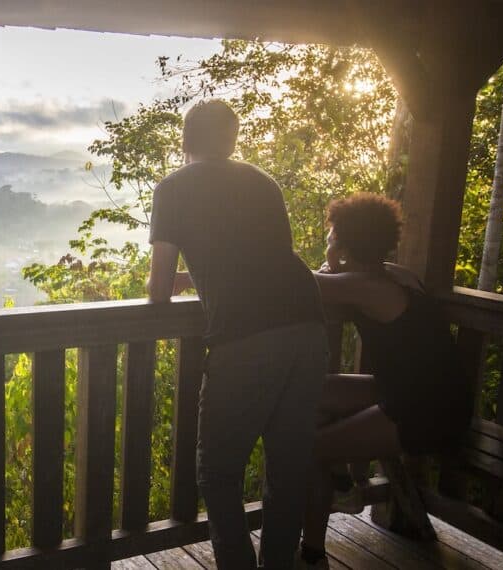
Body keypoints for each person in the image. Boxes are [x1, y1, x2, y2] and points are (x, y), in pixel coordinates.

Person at [147, 100, 327, 570]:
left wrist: (173, 282)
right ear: (231, 139)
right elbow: (261, 258)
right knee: (287, 468)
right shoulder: (261, 181)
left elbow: (158, 291)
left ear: (185, 140)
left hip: (247, 338)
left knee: (218, 471)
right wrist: (200, 277)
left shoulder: (172, 188)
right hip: (307, 324)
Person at [297, 193, 474, 569]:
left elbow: (298, 282)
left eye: (331, 234)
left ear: (345, 242)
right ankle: (343, 483)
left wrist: (331, 263)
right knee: (310, 394)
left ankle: (312, 554)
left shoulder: (365, 286)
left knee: (309, 446)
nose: (327, 238)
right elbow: (331, 280)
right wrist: (334, 261)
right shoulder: (395, 274)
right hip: (422, 392)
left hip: (426, 411)